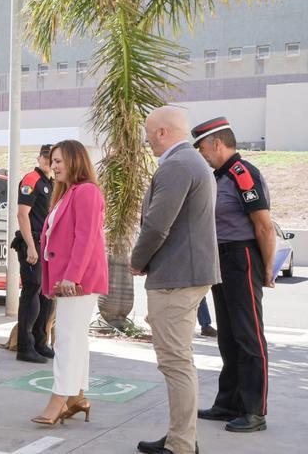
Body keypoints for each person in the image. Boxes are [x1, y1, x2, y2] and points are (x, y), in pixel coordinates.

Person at [130, 107, 220, 454]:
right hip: (185, 273)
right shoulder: (191, 162)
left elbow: (157, 224)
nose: (147, 139)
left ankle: (181, 444)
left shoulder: (178, 165)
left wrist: (138, 261)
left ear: (164, 132)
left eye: (149, 133)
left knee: (175, 361)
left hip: (176, 276)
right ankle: (180, 436)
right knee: (178, 359)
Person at [192, 117, 273, 433]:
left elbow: (263, 225)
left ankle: (255, 410)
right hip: (221, 260)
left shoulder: (243, 174)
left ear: (216, 144)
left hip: (242, 258)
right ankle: (228, 402)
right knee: (228, 335)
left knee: (249, 335)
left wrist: (267, 268)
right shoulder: (218, 177)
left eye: (202, 148)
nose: (201, 154)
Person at [30, 140, 108, 426]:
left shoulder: (86, 192)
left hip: (78, 281)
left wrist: (71, 277)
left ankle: (59, 398)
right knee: (75, 339)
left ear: (76, 161)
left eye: (60, 161)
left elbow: (86, 239)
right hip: (69, 281)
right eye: (53, 161)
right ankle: (77, 398)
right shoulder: (68, 193)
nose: (54, 166)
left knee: (65, 340)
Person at [12, 144, 56, 363]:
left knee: (45, 294)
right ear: (39, 158)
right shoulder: (31, 179)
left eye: (53, 157)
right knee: (32, 292)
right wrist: (30, 245)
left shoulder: (53, 182)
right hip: (33, 242)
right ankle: (24, 347)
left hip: (47, 245)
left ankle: (40, 342)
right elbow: (22, 215)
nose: (49, 161)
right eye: (46, 157)